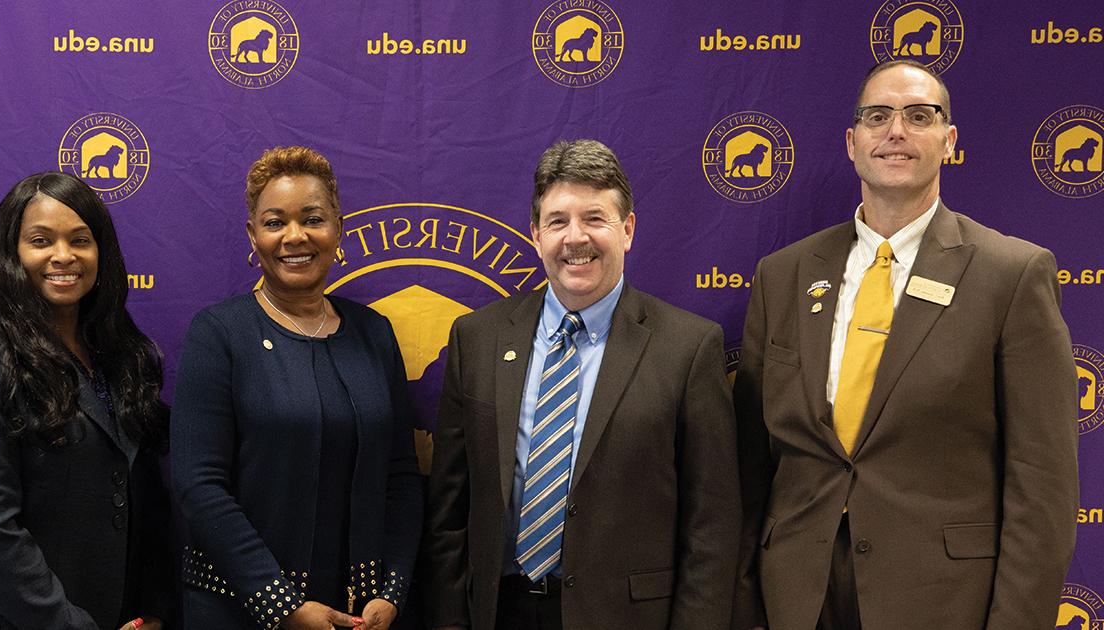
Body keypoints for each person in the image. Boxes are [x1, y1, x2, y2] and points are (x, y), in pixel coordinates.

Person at [732, 60, 1078, 630]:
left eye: (920, 116)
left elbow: (1042, 485)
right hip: (796, 596)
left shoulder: (1011, 275)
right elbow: (749, 466)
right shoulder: (783, 274)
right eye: (878, 117)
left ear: (949, 141)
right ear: (852, 141)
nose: (896, 131)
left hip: (942, 602)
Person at [425, 139, 741, 630]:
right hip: (497, 610)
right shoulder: (478, 338)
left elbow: (713, 526)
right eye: (557, 221)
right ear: (535, 234)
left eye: (595, 218)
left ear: (628, 229)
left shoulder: (688, 347)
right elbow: (449, 510)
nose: (575, 238)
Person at [172, 146, 422, 630]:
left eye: (312, 218)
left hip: (359, 616)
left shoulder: (374, 332)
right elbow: (198, 485)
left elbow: (402, 476)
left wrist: (391, 591)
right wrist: (280, 604)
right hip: (241, 609)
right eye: (274, 222)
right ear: (253, 236)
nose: (295, 236)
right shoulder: (219, 333)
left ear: (338, 229)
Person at [0, 171, 174, 630]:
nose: (63, 256)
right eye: (41, 240)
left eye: (80, 240)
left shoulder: (122, 360)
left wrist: (154, 611)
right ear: (12, 254)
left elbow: (145, 505)